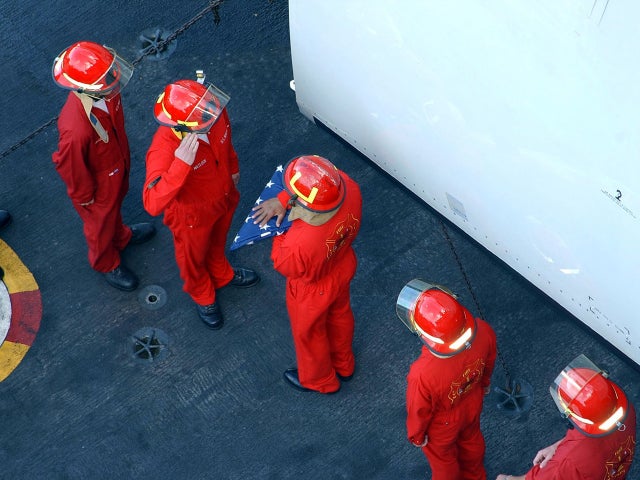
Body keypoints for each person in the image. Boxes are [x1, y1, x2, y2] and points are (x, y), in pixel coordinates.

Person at [143, 78, 259, 330]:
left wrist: (234, 169)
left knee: (218, 242)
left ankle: (221, 273)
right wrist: (180, 164)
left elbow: (227, 144)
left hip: (224, 197)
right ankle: (202, 294)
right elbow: (152, 203)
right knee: (192, 259)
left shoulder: (211, 112)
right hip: (191, 216)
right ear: (183, 128)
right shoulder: (163, 150)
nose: (214, 119)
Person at [252, 155, 362, 394]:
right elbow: (329, 184)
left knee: (310, 335)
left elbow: (283, 265)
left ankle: (321, 381)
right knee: (340, 315)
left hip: (311, 290)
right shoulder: (350, 188)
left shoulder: (299, 245)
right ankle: (344, 364)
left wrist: (280, 231)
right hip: (342, 266)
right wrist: (285, 200)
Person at [51, 41, 155, 291]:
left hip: (115, 167)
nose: (114, 77)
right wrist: (85, 197)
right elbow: (69, 165)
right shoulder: (75, 129)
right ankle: (105, 262)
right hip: (97, 184)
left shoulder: (104, 90)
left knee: (113, 210)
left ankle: (121, 236)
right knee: (99, 226)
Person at [395, 279, 497, 480]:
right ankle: (476, 476)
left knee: (443, 462)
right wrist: (483, 386)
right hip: (473, 402)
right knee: (472, 442)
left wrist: (417, 436)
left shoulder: (422, 374)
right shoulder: (483, 330)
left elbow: (419, 409)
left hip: (444, 423)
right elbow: (489, 362)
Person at [495, 353, 636, 480]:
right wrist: (557, 446)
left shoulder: (566, 464)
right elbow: (589, 436)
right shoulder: (627, 409)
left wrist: (508, 479)